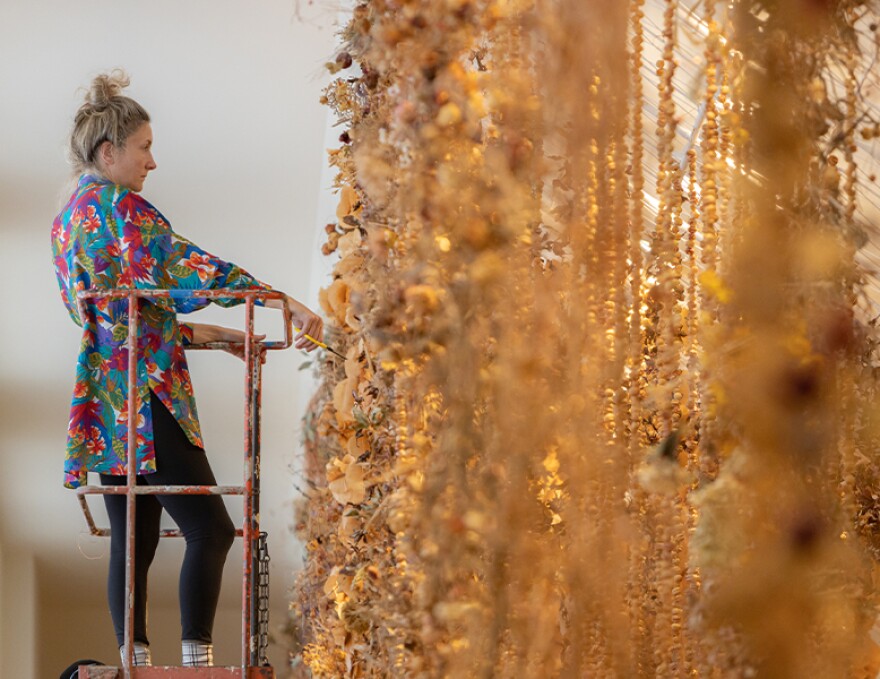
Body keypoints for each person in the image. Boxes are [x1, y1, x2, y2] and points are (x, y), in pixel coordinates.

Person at [51, 70, 324, 668]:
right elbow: (194, 268)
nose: (153, 161)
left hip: (105, 397)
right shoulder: (124, 211)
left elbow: (109, 316)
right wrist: (279, 301)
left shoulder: (68, 221)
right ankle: (197, 663)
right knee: (212, 529)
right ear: (110, 151)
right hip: (147, 395)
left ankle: (135, 663)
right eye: (144, 146)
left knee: (134, 538)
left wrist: (212, 333)